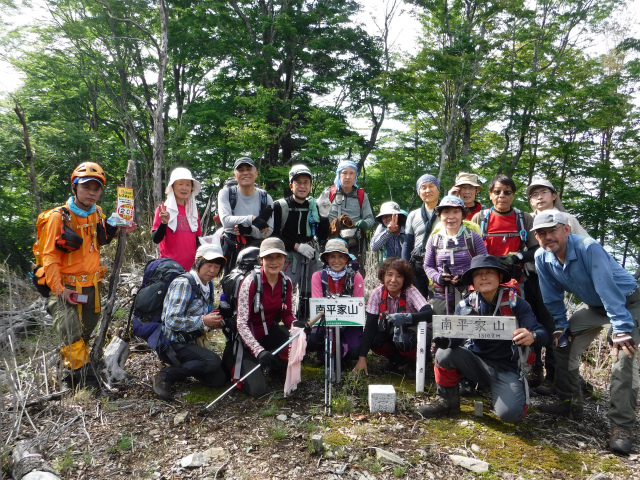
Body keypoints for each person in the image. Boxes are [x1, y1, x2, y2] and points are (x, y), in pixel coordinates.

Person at [532, 211, 639, 454]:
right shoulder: (542, 257)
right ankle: (569, 402)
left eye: (553, 230)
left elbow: (606, 286)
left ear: (566, 229)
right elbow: (551, 296)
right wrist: (561, 325)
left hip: (628, 303)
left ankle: (622, 426)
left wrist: (621, 328)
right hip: (595, 307)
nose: (548, 237)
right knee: (562, 342)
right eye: (541, 233)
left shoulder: (588, 247)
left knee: (623, 355)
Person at [418, 254, 548, 424]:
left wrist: (532, 336)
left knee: (510, 415)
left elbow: (541, 332)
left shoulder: (516, 303)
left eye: (489, 273)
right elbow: (457, 339)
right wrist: (446, 341)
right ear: (472, 280)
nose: (484, 277)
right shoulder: (466, 305)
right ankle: (447, 401)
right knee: (444, 353)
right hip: (476, 363)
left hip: (506, 368)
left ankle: (512, 396)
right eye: (478, 274)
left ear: (500, 277)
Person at [41, 162, 128, 388]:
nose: (92, 192)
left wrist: (120, 227)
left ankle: (71, 374)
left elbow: (100, 239)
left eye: (96, 188)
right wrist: (60, 290)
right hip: (64, 287)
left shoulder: (97, 213)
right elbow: (48, 257)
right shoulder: (58, 217)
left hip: (91, 287)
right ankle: (87, 382)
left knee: (84, 335)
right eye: (86, 187)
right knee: (71, 334)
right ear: (74, 188)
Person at [524, 177, 589, 391]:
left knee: (554, 325)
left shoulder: (566, 218)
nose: (539, 197)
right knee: (531, 324)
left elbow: (587, 246)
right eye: (534, 194)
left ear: (554, 195)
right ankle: (536, 370)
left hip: (558, 279)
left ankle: (556, 377)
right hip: (531, 279)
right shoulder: (526, 220)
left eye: (544, 192)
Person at [151, 241, 227, 401]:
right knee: (212, 361)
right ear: (197, 263)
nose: (213, 271)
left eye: (217, 267)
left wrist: (213, 323)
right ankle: (165, 375)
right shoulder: (183, 283)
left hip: (192, 341)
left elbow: (202, 317)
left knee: (219, 380)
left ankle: (184, 369)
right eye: (209, 265)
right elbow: (171, 320)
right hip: (173, 343)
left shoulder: (208, 285)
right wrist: (203, 321)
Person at [232, 237, 307, 397]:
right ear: (261, 260)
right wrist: (258, 351)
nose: (274, 262)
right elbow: (242, 323)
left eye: (278, 257)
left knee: (298, 348)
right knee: (257, 390)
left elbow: (287, 314)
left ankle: (275, 367)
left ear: (285, 259)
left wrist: (296, 324)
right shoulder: (250, 282)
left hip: (269, 332)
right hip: (247, 340)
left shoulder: (286, 282)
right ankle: (244, 362)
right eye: (269, 258)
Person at [353, 257, 433, 374]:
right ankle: (396, 360)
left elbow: (429, 314)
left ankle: (415, 361)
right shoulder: (377, 293)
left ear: (405, 279)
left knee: (404, 340)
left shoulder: (410, 291)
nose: (393, 280)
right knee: (375, 340)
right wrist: (362, 358)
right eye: (389, 275)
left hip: (415, 330)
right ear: (383, 276)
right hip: (392, 329)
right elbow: (370, 325)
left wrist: (408, 318)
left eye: (399, 276)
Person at [470, 174, 537, 293]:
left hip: (514, 280)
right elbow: (469, 250)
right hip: (484, 279)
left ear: (513, 195)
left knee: (514, 311)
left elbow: (537, 250)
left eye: (507, 192)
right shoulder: (479, 219)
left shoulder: (524, 218)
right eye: (497, 192)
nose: (502, 195)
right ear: (490, 194)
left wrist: (517, 257)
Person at [423, 195, 487, 315]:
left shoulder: (474, 238)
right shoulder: (434, 240)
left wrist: (467, 277)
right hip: (442, 296)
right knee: (442, 331)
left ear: (463, 215)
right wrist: (438, 278)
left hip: (471, 295)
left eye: (456, 212)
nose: (451, 217)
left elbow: (484, 265)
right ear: (439, 215)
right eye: (446, 212)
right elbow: (428, 266)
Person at [272, 164, 320, 322]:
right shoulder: (281, 206)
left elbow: (322, 234)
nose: (302, 186)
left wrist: (325, 217)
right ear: (290, 185)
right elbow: (274, 236)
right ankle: (279, 324)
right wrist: (296, 246)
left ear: (311, 185)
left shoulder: (314, 207)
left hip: (310, 256)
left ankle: (305, 326)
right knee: (283, 291)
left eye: (306, 182)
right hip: (288, 258)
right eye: (298, 182)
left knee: (309, 292)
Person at [308, 238, 365, 363]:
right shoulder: (318, 276)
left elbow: (357, 305)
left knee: (355, 351)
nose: (337, 261)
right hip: (324, 321)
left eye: (341, 256)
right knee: (313, 342)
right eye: (332, 256)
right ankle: (324, 351)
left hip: (349, 322)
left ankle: (345, 351)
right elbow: (318, 303)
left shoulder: (356, 277)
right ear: (327, 258)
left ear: (346, 259)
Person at [317, 160, 375, 277]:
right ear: (338, 174)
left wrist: (365, 224)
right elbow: (316, 216)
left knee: (354, 274)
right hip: (330, 242)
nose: (347, 177)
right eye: (344, 173)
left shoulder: (361, 195)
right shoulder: (328, 192)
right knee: (328, 274)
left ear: (356, 176)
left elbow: (370, 219)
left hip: (354, 244)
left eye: (351, 173)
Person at [218, 157, 274, 274]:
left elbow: (268, 231)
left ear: (256, 173)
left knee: (256, 285)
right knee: (230, 284)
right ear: (235, 175)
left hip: (257, 250)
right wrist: (252, 219)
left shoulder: (265, 198)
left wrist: (249, 230)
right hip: (233, 248)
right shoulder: (227, 193)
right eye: (241, 170)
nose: (245, 173)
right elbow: (226, 221)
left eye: (249, 169)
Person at [152, 167, 202, 271]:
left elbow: (197, 240)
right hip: (168, 268)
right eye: (180, 184)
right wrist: (164, 223)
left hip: (189, 270)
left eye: (188, 184)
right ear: (172, 187)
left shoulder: (193, 212)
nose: (185, 188)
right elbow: (156, 239)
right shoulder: (164, 210)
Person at [402, 174, 441, 298]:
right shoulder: (413, 215)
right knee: (417, 302)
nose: (428, 190)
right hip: (418, 264)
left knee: (439, 301)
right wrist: (405, 267)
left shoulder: (446, 211)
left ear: (438, 189)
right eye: (423, 187)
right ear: (419, 192)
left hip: (439, 263)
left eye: (431, 186)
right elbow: (408, 243)